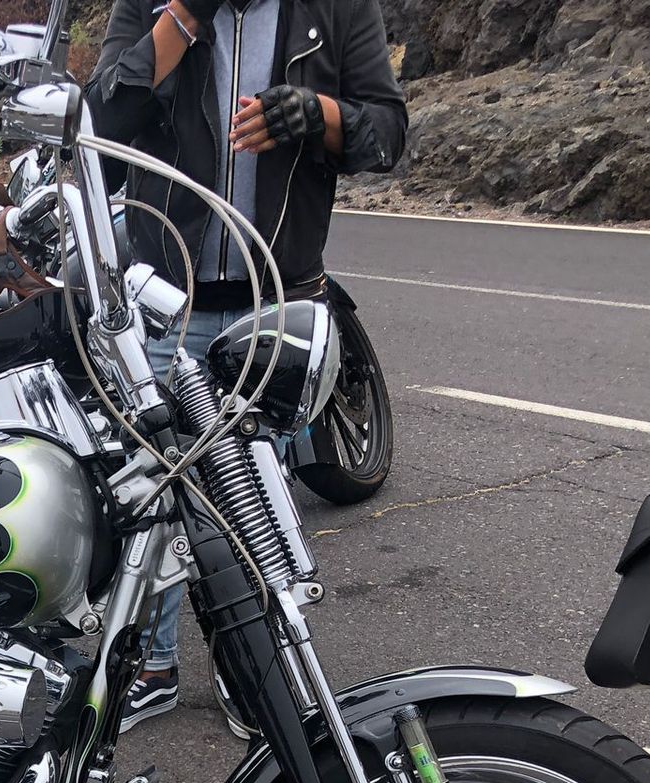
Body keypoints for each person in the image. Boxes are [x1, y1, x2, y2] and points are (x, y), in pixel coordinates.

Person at [90, 0, 407, 731]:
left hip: (280, 294)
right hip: (167, 298)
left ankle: (253, 669)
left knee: (261, 491)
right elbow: (102, 124)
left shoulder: (336, 7)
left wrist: (317, 114)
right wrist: (184, 18)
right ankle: (153, 664)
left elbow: (386, 134)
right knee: (157, 492)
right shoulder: (152, 5)